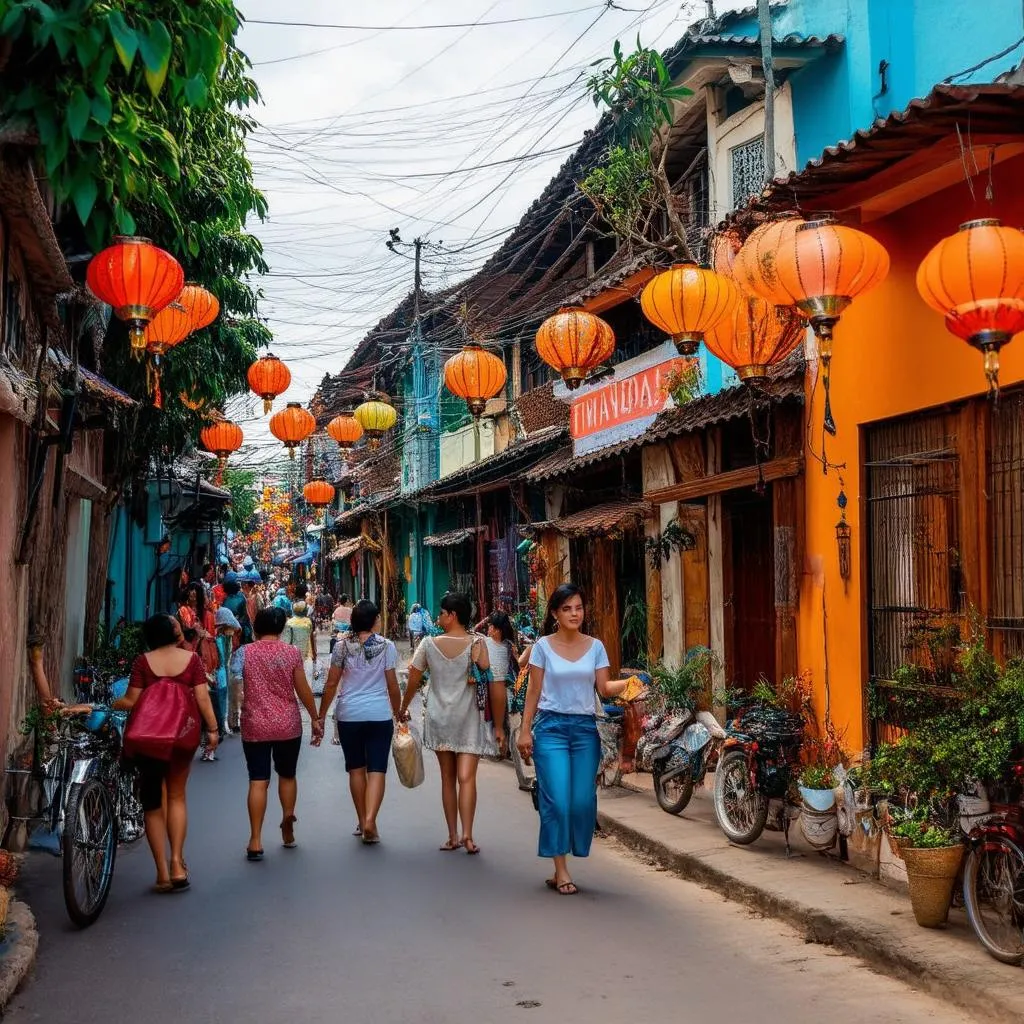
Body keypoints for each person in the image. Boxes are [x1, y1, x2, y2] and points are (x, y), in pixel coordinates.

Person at [517, 584, 626, 895]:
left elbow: (604, 688)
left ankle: (566, 857)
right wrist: (525, 730)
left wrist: (633, 682)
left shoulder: (596, 647)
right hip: (550, 728)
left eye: (578, 607)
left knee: (582, 803)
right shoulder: (542, 647)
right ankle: (561, 869)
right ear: (555, 613)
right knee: (558, 801)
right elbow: (534, 692)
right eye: (567, 608)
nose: (574, 613)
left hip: (584, 731)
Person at [112, 614, 220, 893]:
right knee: (176, 796)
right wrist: (213, 729)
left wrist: (113, 704)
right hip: (183, 735)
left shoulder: (143, 662)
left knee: (153, 803)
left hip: (149, 739)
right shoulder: (191, 660)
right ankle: (176, 863)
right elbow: (202, 697)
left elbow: (131, 701)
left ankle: (161, 872)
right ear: (172, 632)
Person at [399, 592, 505, 854]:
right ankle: (469, 835)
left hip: (439, 718)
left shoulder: (428, 644)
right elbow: (490, 679)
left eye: (442, 613)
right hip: (468, 719)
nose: (439, 617)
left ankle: (453, 836)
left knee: (448, 779)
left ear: (452, 615)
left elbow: (413, 679)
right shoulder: (477, 644)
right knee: (467, 778)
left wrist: (403, 707)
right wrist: (499, 725)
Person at [237, 607, 323, 860]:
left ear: (256, 628)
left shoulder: (244, 653)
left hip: (255, 724)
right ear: (282, 628)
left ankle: (255, 840)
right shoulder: (291, 653)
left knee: (258, 781)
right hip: (287, 724)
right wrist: (315, 718)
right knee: (287, 775)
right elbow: (303, 688)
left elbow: (237, 685)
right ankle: (288, 823)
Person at [315, 600, 401, 844]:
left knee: (356, 769)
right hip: (379, 714)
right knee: (377, 769)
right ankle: (371, 820)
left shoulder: (341, 646)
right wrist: (399, 711)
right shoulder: (387, 646)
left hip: (349, 715)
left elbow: (331, 684)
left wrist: (321, 715)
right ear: (374, 621)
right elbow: (393, 685)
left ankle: (363, 820)